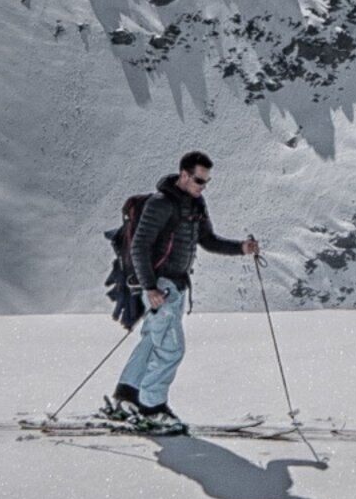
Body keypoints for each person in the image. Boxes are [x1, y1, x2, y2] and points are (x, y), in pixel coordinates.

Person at [106, 151, 259, 433]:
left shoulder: (196, 204)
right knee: (172, 349)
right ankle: (152, 408)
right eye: (200, 180)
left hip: (176, 285)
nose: (203, 186)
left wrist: (241, 248)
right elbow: (140, 246)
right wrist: (150, 287)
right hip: (161, 286)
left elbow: (208, 240)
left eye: (206, 181)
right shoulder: (160, 204)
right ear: (184, 175)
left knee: (153, 340)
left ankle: (127, 395)